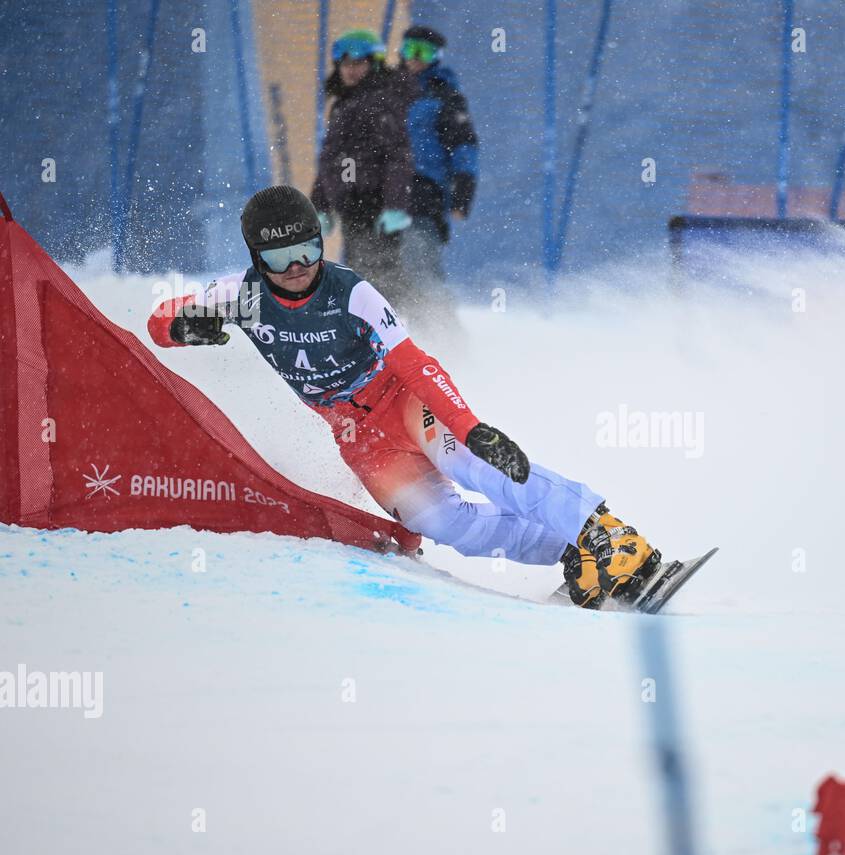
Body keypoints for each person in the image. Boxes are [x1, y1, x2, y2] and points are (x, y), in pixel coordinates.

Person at [146, 185, 657, 609]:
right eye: (281, 257)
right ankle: (574, 552)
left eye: (308, 247)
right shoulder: (240, 296)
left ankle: (608, 532)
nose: (299, 266)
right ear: (257, 258)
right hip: (359, 438)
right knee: (445, 523)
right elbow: (158, 321)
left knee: (478, 468)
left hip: (403, 403)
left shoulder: (350, 292)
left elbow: (413, 361)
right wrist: (183, 327)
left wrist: (470, 428)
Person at [311, 29, 413, 307]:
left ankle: (420, 332)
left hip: (375, 206)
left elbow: (397, 156)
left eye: (359, 64)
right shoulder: (345, 104)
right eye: (345, 65)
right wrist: (320, 205)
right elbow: (331, 161)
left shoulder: (381, 100)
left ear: (375, 64)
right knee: (364, 277)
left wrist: (394, 205)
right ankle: (380, 337)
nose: (351, 71)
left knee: (380, 281)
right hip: (352, 205)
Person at [396, 26, 478, 305]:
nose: (415, 58)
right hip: (387, 192)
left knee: (418, 259)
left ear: (436, 57)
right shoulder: (388, 92)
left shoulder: (445, 98)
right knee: (383, 270)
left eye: (424, 52)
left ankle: (443, 331)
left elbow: (464, 146)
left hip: (424, 189)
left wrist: (462, 190)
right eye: (410, 50)